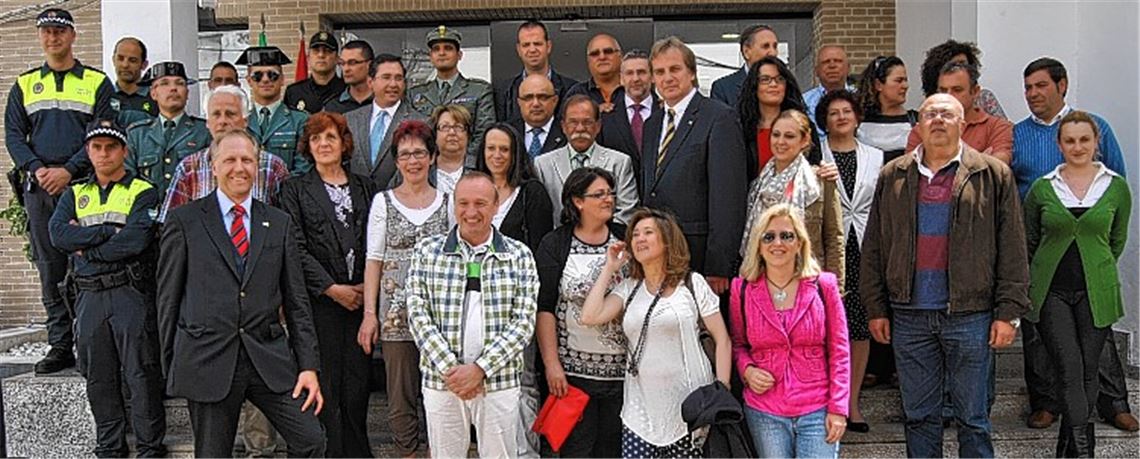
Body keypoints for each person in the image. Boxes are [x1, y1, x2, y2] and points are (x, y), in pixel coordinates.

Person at [860, 94, 1029, 458]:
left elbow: (1013, 248)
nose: (937, 120)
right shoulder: (894, 175)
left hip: (971, 315)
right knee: (919, 417)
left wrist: (1007, 312)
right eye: (929, 114)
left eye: (946, 115)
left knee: (973, 418)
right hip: (909, 315)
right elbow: (874, 245)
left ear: (963, 124)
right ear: (918, 125)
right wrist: (876, 306)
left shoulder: (992, 174)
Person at [157, 129, 325, 458]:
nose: (239, 167)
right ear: (214, 166)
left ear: (257, 165)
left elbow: (297, 303)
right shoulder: (185, 221)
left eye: (247, 160)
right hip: (208, 357)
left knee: (311, 439)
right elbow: (167, 299)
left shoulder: (279, 223)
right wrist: (172, 364)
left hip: (268, 358)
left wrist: (308, 366)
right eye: (230, 159)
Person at [1011, 57, 1135, 433]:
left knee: (1095, 341)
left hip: (1088, 253)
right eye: (1028, 87)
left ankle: (1113, 403)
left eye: (1041, 85)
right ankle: (1045, 403)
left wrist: (1096, 257)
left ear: (1061, 86)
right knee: (1041, 337)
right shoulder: (1018, 134)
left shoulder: (1097, 127)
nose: (1033, 93)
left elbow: (1116, 206)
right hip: (1042, 244)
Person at [4, 7, 114, 375]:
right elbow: (15, 137)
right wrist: (38, 169)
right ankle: (60, 345)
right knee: (50, 266)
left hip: (81, 185)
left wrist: (68, 170)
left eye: (59, 32)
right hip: (39, 188)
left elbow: (104, 135)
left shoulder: (97, 83)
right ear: (40, 37)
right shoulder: (24, 84)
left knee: (86, 263)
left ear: (72, 36)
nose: (53, 38)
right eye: (47, 32)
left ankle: (90, 344)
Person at [48, 119, 166, 458]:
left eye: (111, 147)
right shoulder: (74, 193)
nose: (104, 153)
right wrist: (107, 232)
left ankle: (149, 448)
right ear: (88, 151)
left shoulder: (142, 190)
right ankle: (110, 448)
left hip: (128, 292)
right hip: (88, 297)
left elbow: (135, 240)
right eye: (97, 147)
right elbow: (59, 236)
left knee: (140, 374)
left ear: (124, 151)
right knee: (98, 378)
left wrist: (87, 244)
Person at [405, 172, 538, 458]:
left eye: (480, 203)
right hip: (443, 380)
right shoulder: (427, 251)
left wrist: (479, 370)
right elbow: (417, 314)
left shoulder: (519, 255)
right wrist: (453, 371)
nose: (471, 212)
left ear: (496, 205)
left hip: (498, 380)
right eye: (463, 203)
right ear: (454, 206)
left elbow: (523, 322)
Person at [579, 208, 732, 458]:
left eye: (648, 232)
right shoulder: (629, 288)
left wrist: (721, 392)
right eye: (635, 234)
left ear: (668, 240)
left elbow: (722, 340)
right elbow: (590, 316)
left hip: (691, 411)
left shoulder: (692, 284)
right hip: (639, 414)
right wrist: (609, 268)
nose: (639, 238)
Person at [276, 112, 374, 457]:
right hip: (320, 305)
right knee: (327, 389)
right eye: (316, 138)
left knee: (357, 389)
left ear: (344, 142)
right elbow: (295, 248)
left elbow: (375, 241)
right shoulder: (294, 189)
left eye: (330, 137)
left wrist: (364, 289)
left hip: (362, 303)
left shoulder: (365, 186)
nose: (323, 144)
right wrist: (333, 289)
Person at [359, 120, 453, 458]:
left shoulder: (449, 202)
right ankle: (407, 453)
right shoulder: (383, 203)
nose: (412, 161)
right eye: (405, 155)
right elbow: (374, 260)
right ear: (397, 161)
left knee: (440, 393)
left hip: (441, 316)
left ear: (431, 157)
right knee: (400, 395)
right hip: (395, 317)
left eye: (419, 153)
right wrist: (370, 314)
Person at [731, 203, 849, 457]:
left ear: (800, 243)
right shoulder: (741, 289)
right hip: (765, 410)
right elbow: (738, 344)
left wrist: (839, 408)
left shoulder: (823, 285)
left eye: (787, 235)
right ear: (759, 246)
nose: (778, 243)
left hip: (817, 407)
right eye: (769, 236)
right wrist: (747, 371)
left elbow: (839, 350)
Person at [641, 37, 748, 295]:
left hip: (699, 258)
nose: (668, 78)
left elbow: (728, 198)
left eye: (675, 69)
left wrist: (719, 265)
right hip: (658, 255)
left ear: (691, 72)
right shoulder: (652, 124)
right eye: (660, 72)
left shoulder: (719, 117)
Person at [534, 167, 627, 458]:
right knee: (576, 451)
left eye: (610, 193)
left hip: (624, 377)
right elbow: (545, 308)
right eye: (599, 194)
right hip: (573, 377)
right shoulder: (556, 244)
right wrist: (551, 364)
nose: (608, 199)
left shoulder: (627, 239)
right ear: (577, 201)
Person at [815, 89, 882, 434]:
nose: (841, 117)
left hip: (865, 247)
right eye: (833, 113)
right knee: (827, 327)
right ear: (824, 121)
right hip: (828, 251)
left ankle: (851, 402)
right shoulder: (816, 154)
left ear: (857, 117)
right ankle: (826, 399)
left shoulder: (877, 156)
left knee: (858, 325)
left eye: (847, 111)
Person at [741, 109, 844, 292]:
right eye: (776, 135)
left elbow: (834, 239)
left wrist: (836, 291)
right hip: (762, 280)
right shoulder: (757, 185)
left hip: (808, 281)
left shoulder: (820, 182)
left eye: (789, 136)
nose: (781, 142)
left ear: (804, 141)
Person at [158, 85, 291, 222]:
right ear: (207, 122)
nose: (222, 121)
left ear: (246, 121)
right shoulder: (188, 168)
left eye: (230, 114)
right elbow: (170, 223)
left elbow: (285, 225)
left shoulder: (273, 167)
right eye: (216, 114)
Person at [534, 95, 639, 224]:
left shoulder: (620, 162)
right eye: (573, 122)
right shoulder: (543, 164)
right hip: (559, 241)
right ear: (563, 126)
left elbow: (626, 212)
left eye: (587, 122)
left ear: (598, 126)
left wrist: (597, 238)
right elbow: (540, 215)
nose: (580, 128)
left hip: (607, 241)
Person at [125, 61, 211, 198]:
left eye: (180, 83)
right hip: (148, 214)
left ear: (187, 93)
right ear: (153, 93)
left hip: (189, 213)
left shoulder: (204, 132)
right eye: (165, 83)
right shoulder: (137, 135)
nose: (173, 88)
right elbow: (128, 181)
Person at [408, 26, 495, 159]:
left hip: (468, 166)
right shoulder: (414, 94)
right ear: (430, 56)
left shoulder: (480, 90)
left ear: (459, 55)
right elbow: (412, 134)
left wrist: (465, 163)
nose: (442, 53)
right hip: (426, 166)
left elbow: (484, 132)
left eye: (448, 48)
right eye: (436, 49)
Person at [345, 53, 428, 190]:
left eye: (398, 78)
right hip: (357, 202)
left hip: (399, 202)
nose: (393, 84)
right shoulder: (350, 120)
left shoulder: (420, 123)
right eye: (386, 77)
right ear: (370, 82)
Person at [905, 62, 1013, 163]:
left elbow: (997, 167)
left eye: (957, 90)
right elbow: (911, 172)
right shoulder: (921, 130)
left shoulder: (997, 128)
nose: (949, 96)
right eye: (943, 90)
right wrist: (979, 162)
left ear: (975, 92)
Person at [475, 123, 554, 250]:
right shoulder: (472, 189)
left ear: (515, 153)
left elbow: (540, 246)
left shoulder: (532, 193)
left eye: (504, 149)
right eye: (491, 148)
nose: (497, 155)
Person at [738, 56, 816, 179]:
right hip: (752, 197)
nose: (773, 84)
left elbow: (814, 167)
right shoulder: (740, 128)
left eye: (779, 79)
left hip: (796, 196)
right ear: (754, 86)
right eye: (765, 79)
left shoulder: (804, 125)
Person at [238, 45, 311, 175]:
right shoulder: (240, 121)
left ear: (282, 79)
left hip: (288, 193)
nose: (265, 79)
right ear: (249, 81)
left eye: (273, 75)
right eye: (257, 76)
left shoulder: (300, 120)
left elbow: (303, 169)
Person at [598, 49, 659, 189]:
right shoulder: (605, 117)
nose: (636, 78)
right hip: (619, 198)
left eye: (641, 72)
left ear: (652, 76)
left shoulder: (667, 113)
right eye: (629, 73)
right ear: (621, 78)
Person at [495, 20, 578, 122]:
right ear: (519, 50)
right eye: (526, 45)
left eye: (537, 44)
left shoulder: (572, 89)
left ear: (548, 46)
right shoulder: (504, 91)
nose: (532, 49)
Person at [919, 39, 1006, 119]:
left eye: (963, 64)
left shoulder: (984, 98)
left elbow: (1006, 131)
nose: (959, 69)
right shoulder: (929, 106)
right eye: (953, 66)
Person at [855, 55, 916, 162]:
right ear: (878, 85)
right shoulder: (859, 121)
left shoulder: (915, 121)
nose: (905, 85)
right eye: (899, 80)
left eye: (905, 80)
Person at [711, 24, 778, 108]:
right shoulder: (724, 88)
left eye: (775, 47)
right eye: (765, 46)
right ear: (746, 52)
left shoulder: (784, 84)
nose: (773, 53)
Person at [285, 31, 346, 114]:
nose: (321, 55)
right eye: (316, 51)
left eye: (327, 51)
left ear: (337, 58)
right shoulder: (294, 92)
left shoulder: (347, 90)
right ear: (308, 57)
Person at [511, 74, 567, 158]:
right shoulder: (508, 132)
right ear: (519, 102)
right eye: (528, 97)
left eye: (542, 97)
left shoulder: (567, 132)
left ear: (555, 101)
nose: (536, 104)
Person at [802, 45, 853, 134]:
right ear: (816, 71)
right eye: (826, 62)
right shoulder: (804, 102)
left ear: (848, 68)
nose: (832, 65)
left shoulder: (860, 98)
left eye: (838, 61)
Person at [566, 33, 623, 110]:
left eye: (608, 51)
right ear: (588, 60)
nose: (602, 57)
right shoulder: (577, 93)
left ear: (621, 56)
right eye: (595, 54)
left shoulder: (634, 89)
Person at [109, 36, 157, 126]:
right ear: (113, 60)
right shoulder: (104, 97)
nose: (125, 65)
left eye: (132, 60)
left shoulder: (156, 98)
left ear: (144, 65)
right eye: (120, 58)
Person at [431, 104, 475, 195]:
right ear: (435, 134)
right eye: (445, 127)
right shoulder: (422, 167)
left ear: (468, 134)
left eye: (458, 127)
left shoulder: (480, 167)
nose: (452, 132)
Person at [324, 40, 376, 114]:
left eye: (352, 63)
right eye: (342, 63)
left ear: (369, 65)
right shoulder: (333, 107)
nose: (346, 69)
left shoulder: (383, 102)